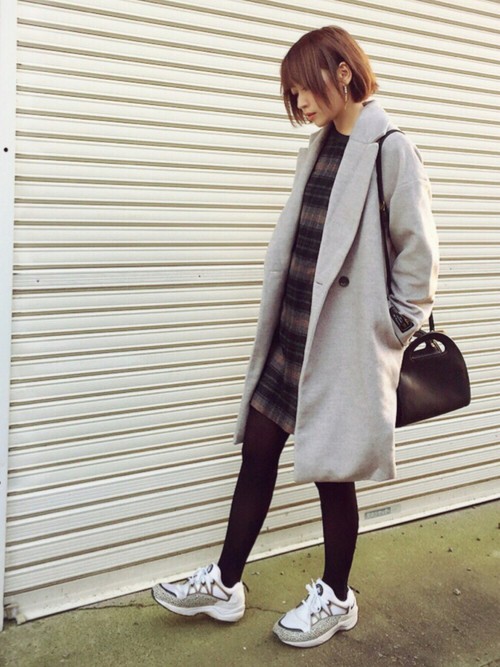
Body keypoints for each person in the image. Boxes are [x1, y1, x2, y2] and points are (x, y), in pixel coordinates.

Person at [152, 25, 439, 648]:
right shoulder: (318, 148)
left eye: (303, 88)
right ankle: (226, 584)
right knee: (258, 451)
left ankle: (337, 597)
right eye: (292, 94)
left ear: (342, 72)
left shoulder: (390, 148)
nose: (299, 103)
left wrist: (387, 330)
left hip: (341, 343)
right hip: (292, 336)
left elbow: (419, 260)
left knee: (333, 472)